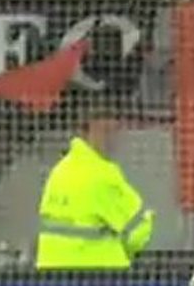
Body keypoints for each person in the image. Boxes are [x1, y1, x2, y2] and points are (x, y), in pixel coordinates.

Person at [35, 107, 153, 270]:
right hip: (98, 277)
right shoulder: (101, 173)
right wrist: (149, 217)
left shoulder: (60, 171)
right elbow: (138, 234)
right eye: (109, 130)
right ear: (92, 128)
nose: (114, 136)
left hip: (53, 277)